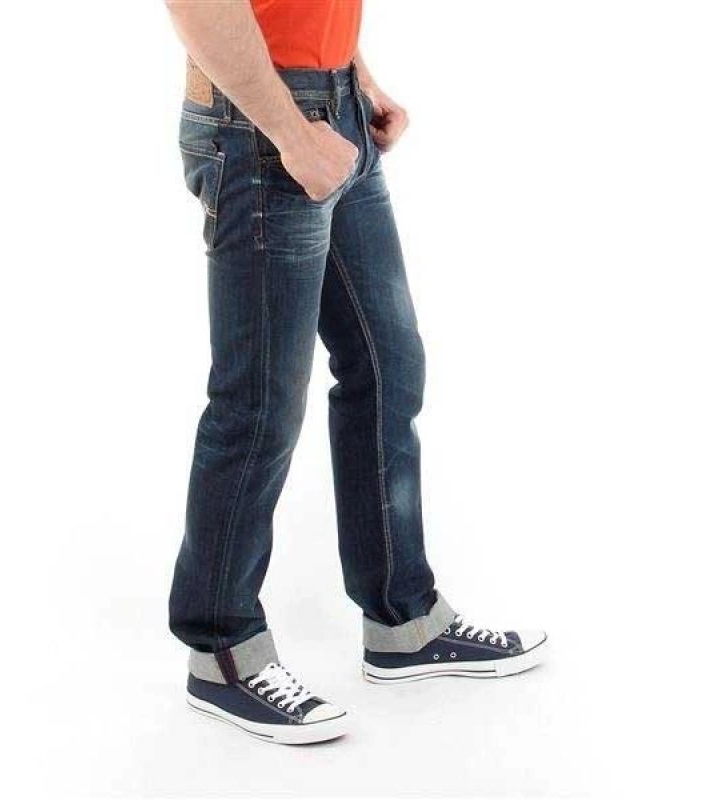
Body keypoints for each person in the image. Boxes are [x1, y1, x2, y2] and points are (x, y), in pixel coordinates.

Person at [164, 0, 546, 745]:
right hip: (261, 125)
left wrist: (356, 79)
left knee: (387, 366)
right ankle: (221, 651)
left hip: (331, 107)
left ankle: (403, 622)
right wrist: (291, 134)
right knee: (260, 402)